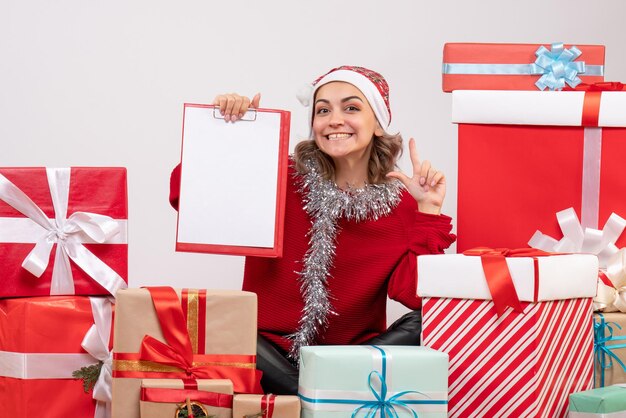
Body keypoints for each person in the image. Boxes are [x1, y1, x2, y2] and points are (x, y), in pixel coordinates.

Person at [169, 65, 455, 394]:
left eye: (351, 108)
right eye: (323, 110)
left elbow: (414, 296)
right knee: (224, 327)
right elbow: (187, 198)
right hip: (265, 352)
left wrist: (428, 211)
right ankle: (323, 398)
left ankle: (318, 393)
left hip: (349, 358)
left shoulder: (402, 203)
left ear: (378, 123)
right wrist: (235, 138)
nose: (334, 119)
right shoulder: (280, 175)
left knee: (432, 319)